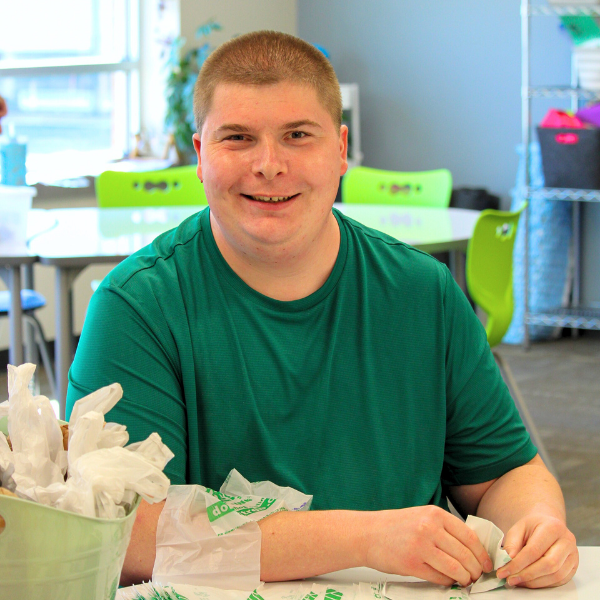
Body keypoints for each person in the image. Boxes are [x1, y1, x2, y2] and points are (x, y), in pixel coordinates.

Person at [66, 31, 577, 589]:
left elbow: (503, 474)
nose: (268, 165)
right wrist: (366, 538)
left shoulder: (422, 291)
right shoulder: (137, 306)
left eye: (297, 136)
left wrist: (538, 524)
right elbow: (126, 533)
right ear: (200, 155)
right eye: (237, 137)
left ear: (339, 150)